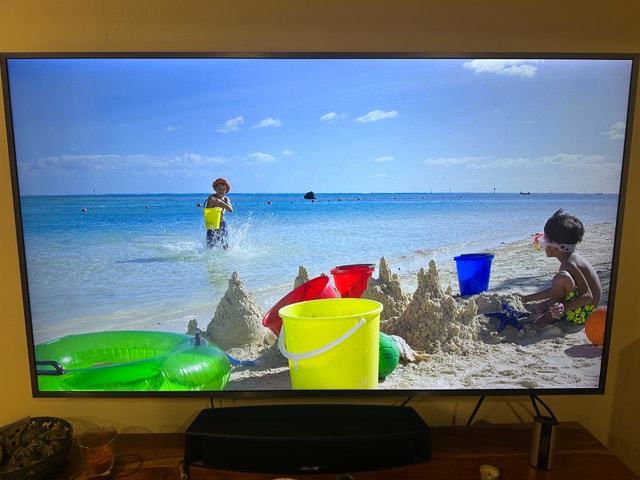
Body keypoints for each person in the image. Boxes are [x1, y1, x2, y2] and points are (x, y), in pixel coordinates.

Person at [517, 209, 601, 326]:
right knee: (560, 280)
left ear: (558, 246)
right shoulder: (571, 259)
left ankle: (548, 317)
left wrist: (563, 307)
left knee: (561, 278)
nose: (542, 244)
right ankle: (540, 307)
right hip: (584, 306)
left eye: (545, 240)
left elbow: (587, 296)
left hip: (584, 313)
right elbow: (556, 290)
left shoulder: (569, 264)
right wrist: (527, 298)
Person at [204, 177, 233, 249]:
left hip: (222, 223)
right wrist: (212, 201)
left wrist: (220, 202)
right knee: (210, 245)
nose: (221, 191)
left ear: (226, 190)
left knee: (225, 245)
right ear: (215, 189)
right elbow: (207, 210)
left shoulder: (226, 199)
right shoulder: (212, 197)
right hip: (212, 224)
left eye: (224, 189)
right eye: (219, 189)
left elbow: (230, 210)